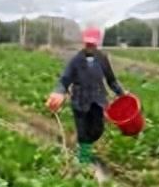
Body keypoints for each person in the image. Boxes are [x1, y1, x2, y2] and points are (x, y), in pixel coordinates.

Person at [47, 27, 128, 165]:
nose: (90, 46)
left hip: (98, 101)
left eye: (93, 44)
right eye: (88, 44)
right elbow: (64, 80)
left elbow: (111, 80)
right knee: (83, 132)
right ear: (84, 43)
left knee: (97, 130)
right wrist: (59, 92)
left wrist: (123, 94)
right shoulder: (76, 60)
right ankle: (83, 162)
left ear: (97, 44)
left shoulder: (102, 59)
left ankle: (83, 147)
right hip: (80, 101)